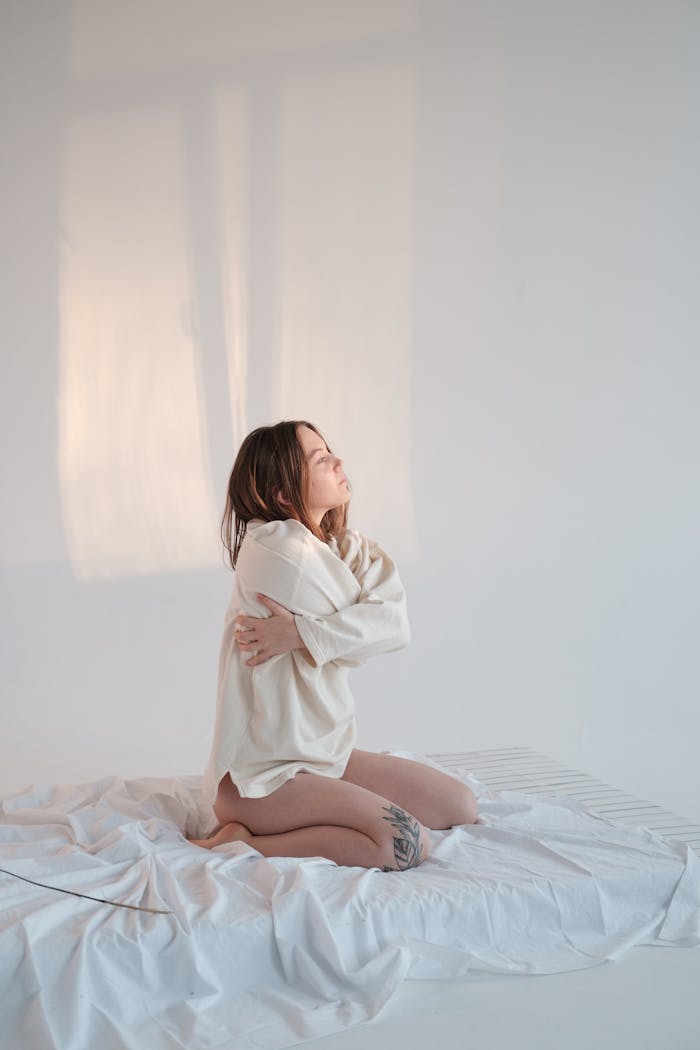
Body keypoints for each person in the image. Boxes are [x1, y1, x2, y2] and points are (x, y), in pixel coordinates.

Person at [190, 420, 477, 870]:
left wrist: (302, 632)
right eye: (320, 459)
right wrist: (342, 625)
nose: (338, 461)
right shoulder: (271, 546)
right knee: (404, 842)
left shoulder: (346, 550)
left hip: (323, 758)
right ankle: (239, 842)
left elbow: (394, 625)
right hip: (261, 779)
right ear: (284, 494)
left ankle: (265, 831)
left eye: (330, 451)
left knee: (459, 805)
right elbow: (372, 618)